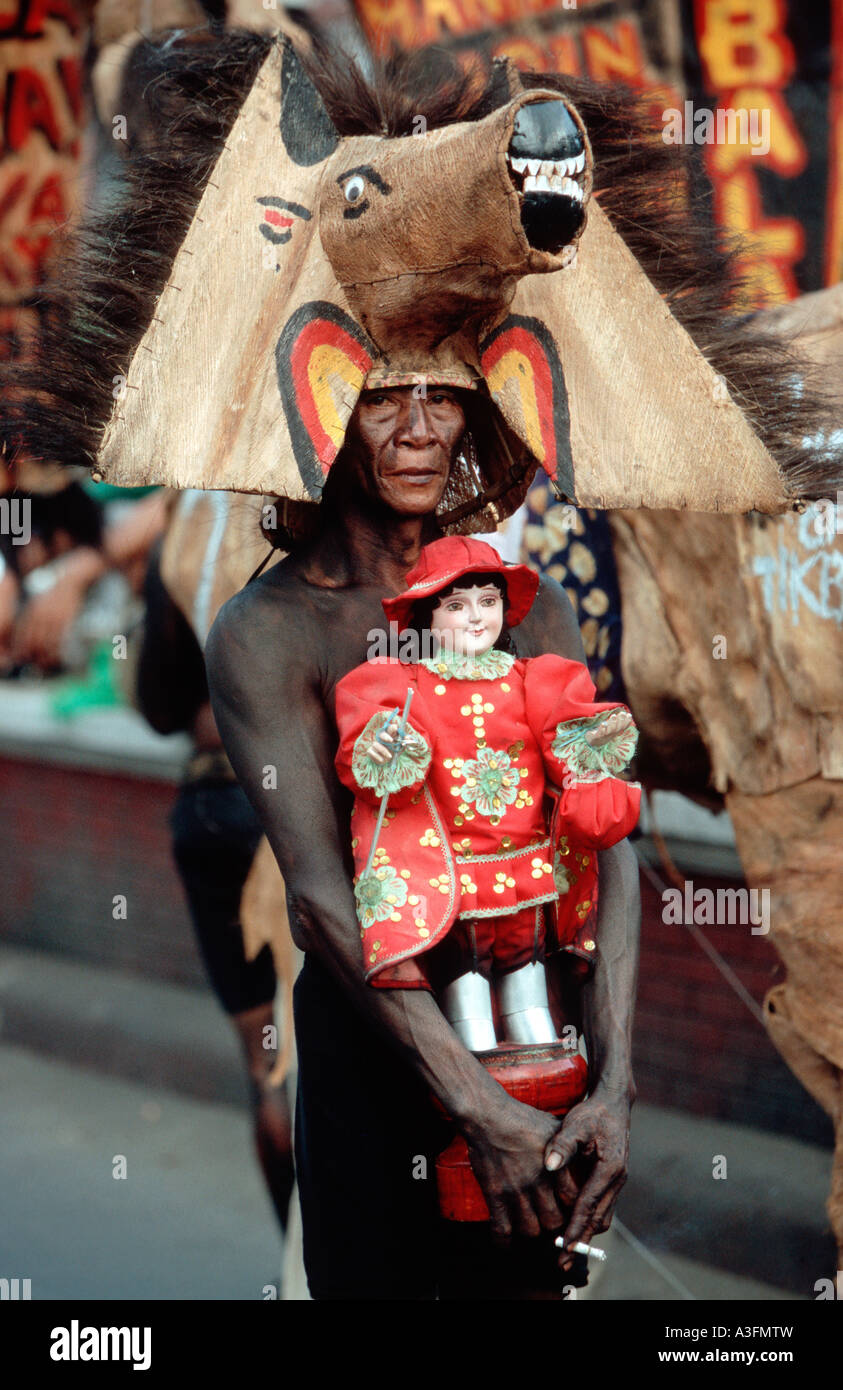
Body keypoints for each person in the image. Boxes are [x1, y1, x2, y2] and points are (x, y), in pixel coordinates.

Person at [206, 383, 641, 1300]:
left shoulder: (521, 607)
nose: (417, 431)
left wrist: (613, 1086)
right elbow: (323, 903)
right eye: (379, 405)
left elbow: (604, 837)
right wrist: (477, 1109)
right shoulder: (271, 628)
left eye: (442, 398)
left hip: (535, 1053)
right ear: (318, 417)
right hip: (375, 1060)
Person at [333, 535, 640, 1055]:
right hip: (452, 881)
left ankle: (549, 1074)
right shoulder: (404, 688)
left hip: (530, 873)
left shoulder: (533, 680)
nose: (476, 618)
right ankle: (474, 1092)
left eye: (488, 602)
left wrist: (590, 750)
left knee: (531, 993)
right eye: (455, 605)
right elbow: (383, 770)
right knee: (468, 997)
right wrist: (388, 746)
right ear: (427, 618)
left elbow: (566, 746)